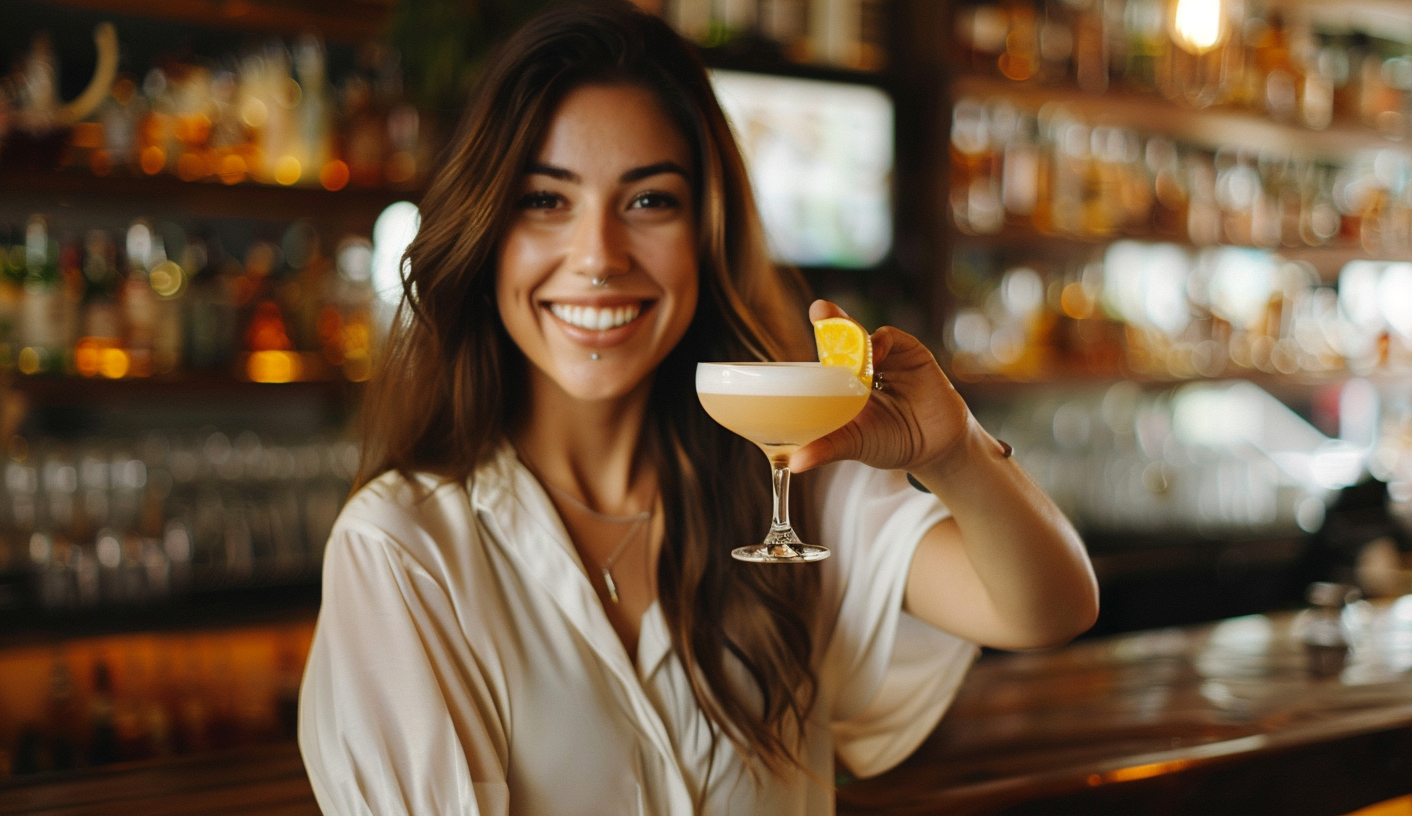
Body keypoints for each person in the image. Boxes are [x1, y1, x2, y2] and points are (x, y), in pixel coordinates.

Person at [297, 2, 1097, 813]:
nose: (600, 257)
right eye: (545, 200)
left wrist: (951, 450)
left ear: (708, 234)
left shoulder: (793, 483)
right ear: (485, 230)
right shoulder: (404, 549)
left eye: (649, 201)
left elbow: (1048, 607)